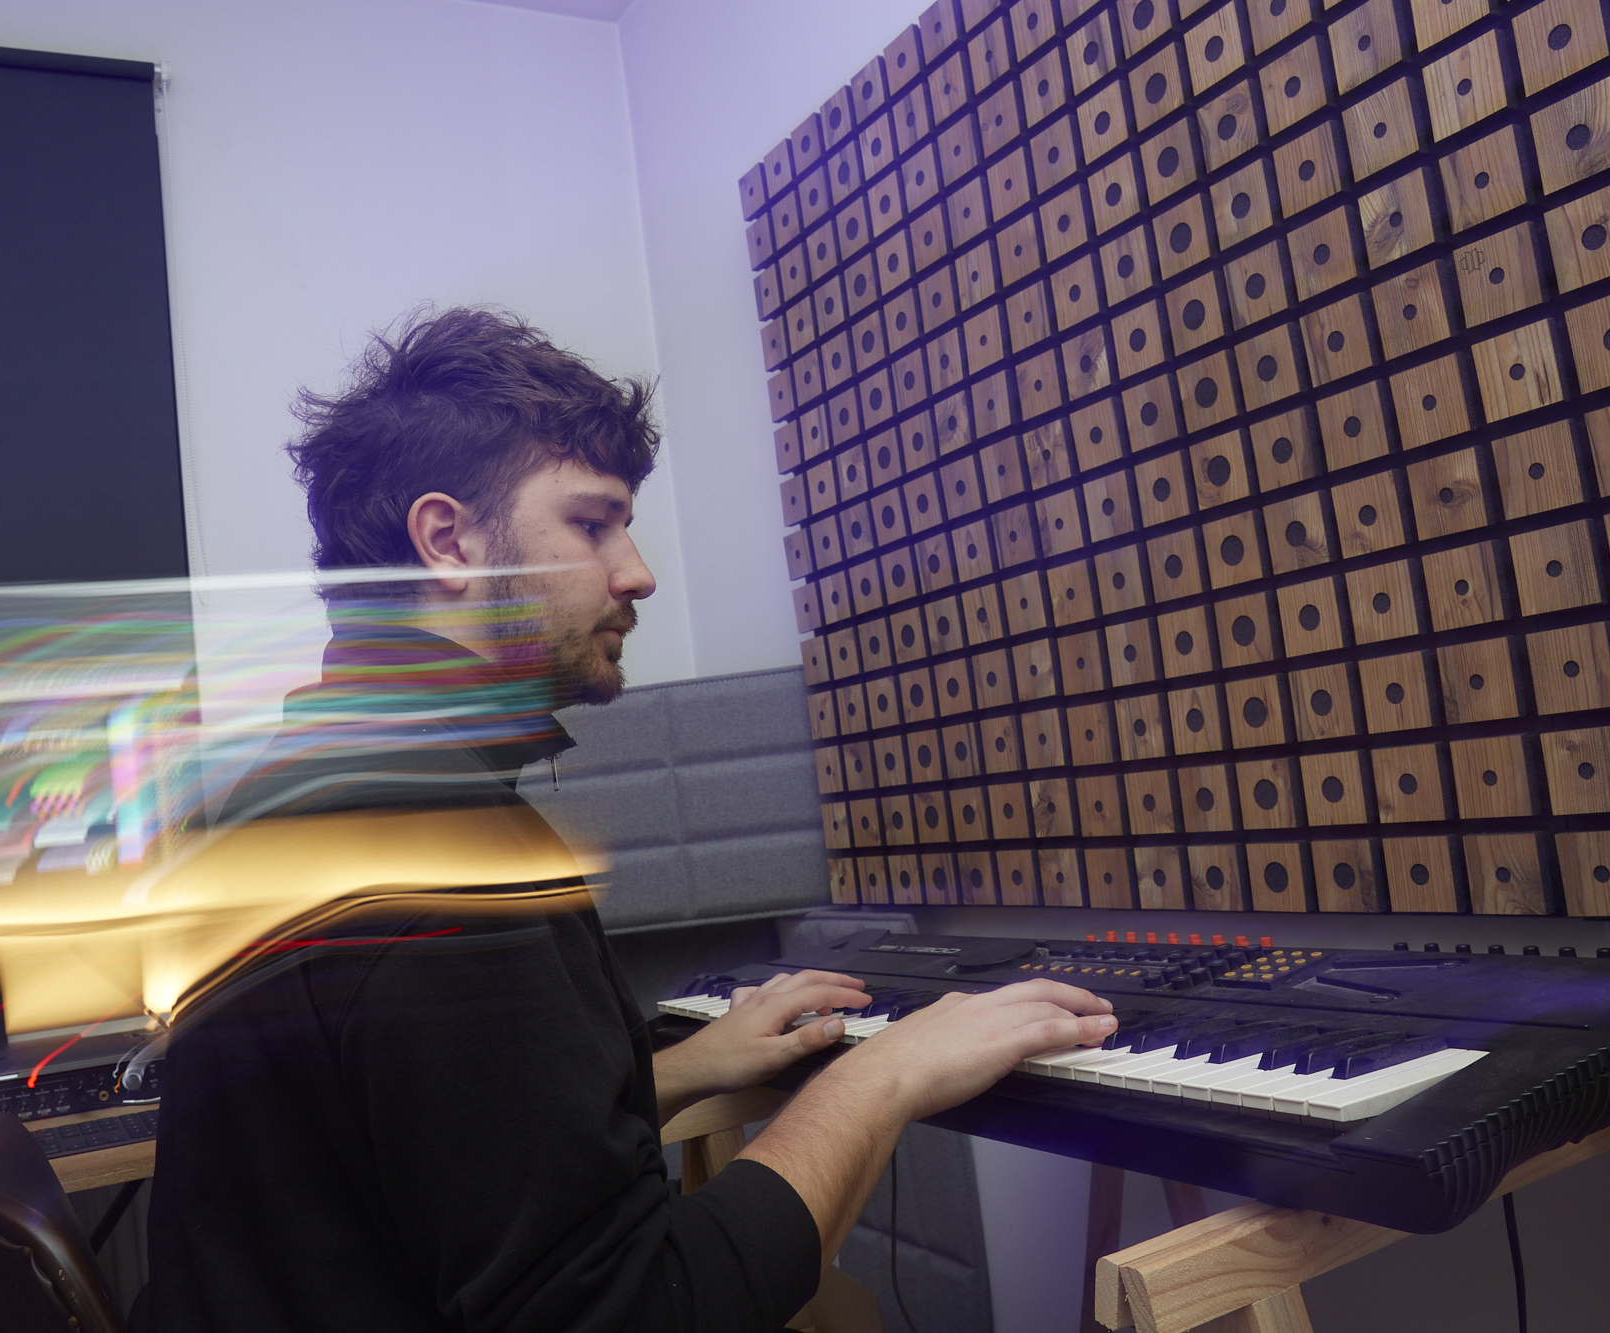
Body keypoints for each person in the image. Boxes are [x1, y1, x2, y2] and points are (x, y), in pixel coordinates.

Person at [138, 308, 1116, 1332]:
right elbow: (631, 1310)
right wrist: (886, 1075)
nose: (637, 571)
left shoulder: (301, 784)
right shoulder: (437, 854)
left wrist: (679, 1069)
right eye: (592, 523)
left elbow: (446, 1154)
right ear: (449, 539)